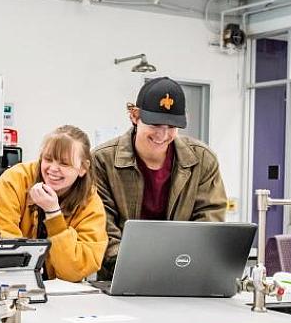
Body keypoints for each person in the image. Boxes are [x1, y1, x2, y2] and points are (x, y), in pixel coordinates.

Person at [92, 77, 227, 279]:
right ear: (134, 116)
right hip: (120, 275)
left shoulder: (203, 159)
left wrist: (182, 264)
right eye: (155, 124)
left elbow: (209, 220)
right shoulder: (102, 160)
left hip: (182, 275)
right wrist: (138, 267)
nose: (162, 135)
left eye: (172, 126)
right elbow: (102, 226)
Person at [0, 125, 107, 282]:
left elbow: (74, 271)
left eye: (64, 163)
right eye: (48, 159)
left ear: (83, 168)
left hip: (62, 293)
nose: (53, 169)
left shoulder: (90, 202)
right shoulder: (14, 180)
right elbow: (4, 246)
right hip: (13, 285)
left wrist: (53, 214)